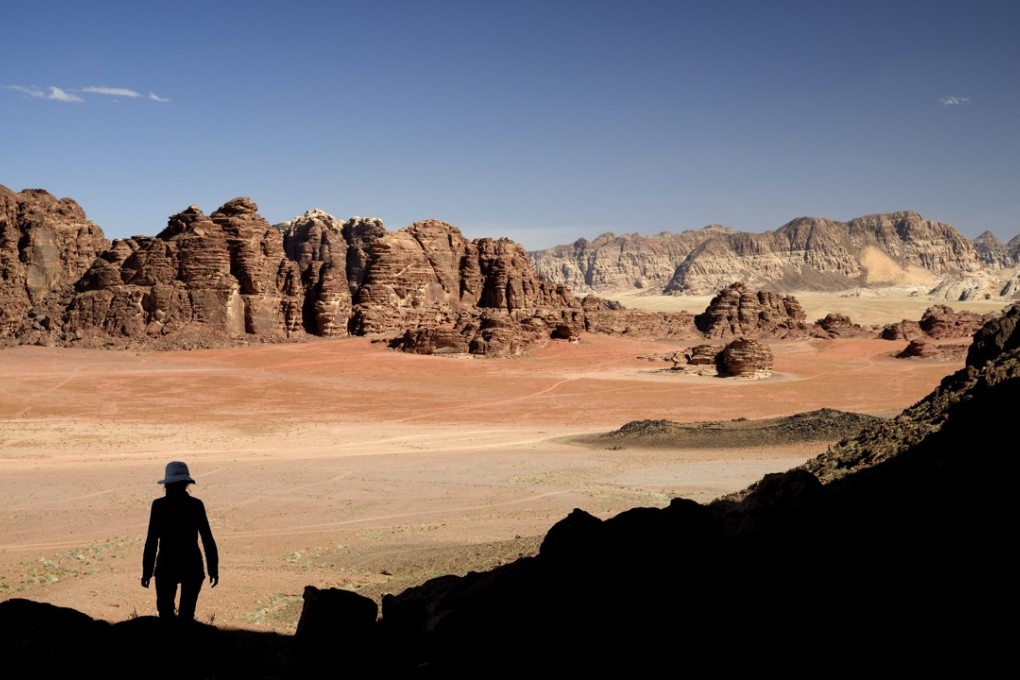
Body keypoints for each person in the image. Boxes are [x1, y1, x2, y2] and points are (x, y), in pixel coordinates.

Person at [141, 461, 219, 620]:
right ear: (186, 484)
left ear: (167, 485)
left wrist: (147, 572)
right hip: (192, 566)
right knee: (187, 615)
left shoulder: (159, 506)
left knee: (165, 614)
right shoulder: (196, 505)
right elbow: (207, 539)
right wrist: (213, 569)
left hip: (166, 566)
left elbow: (151, 541)